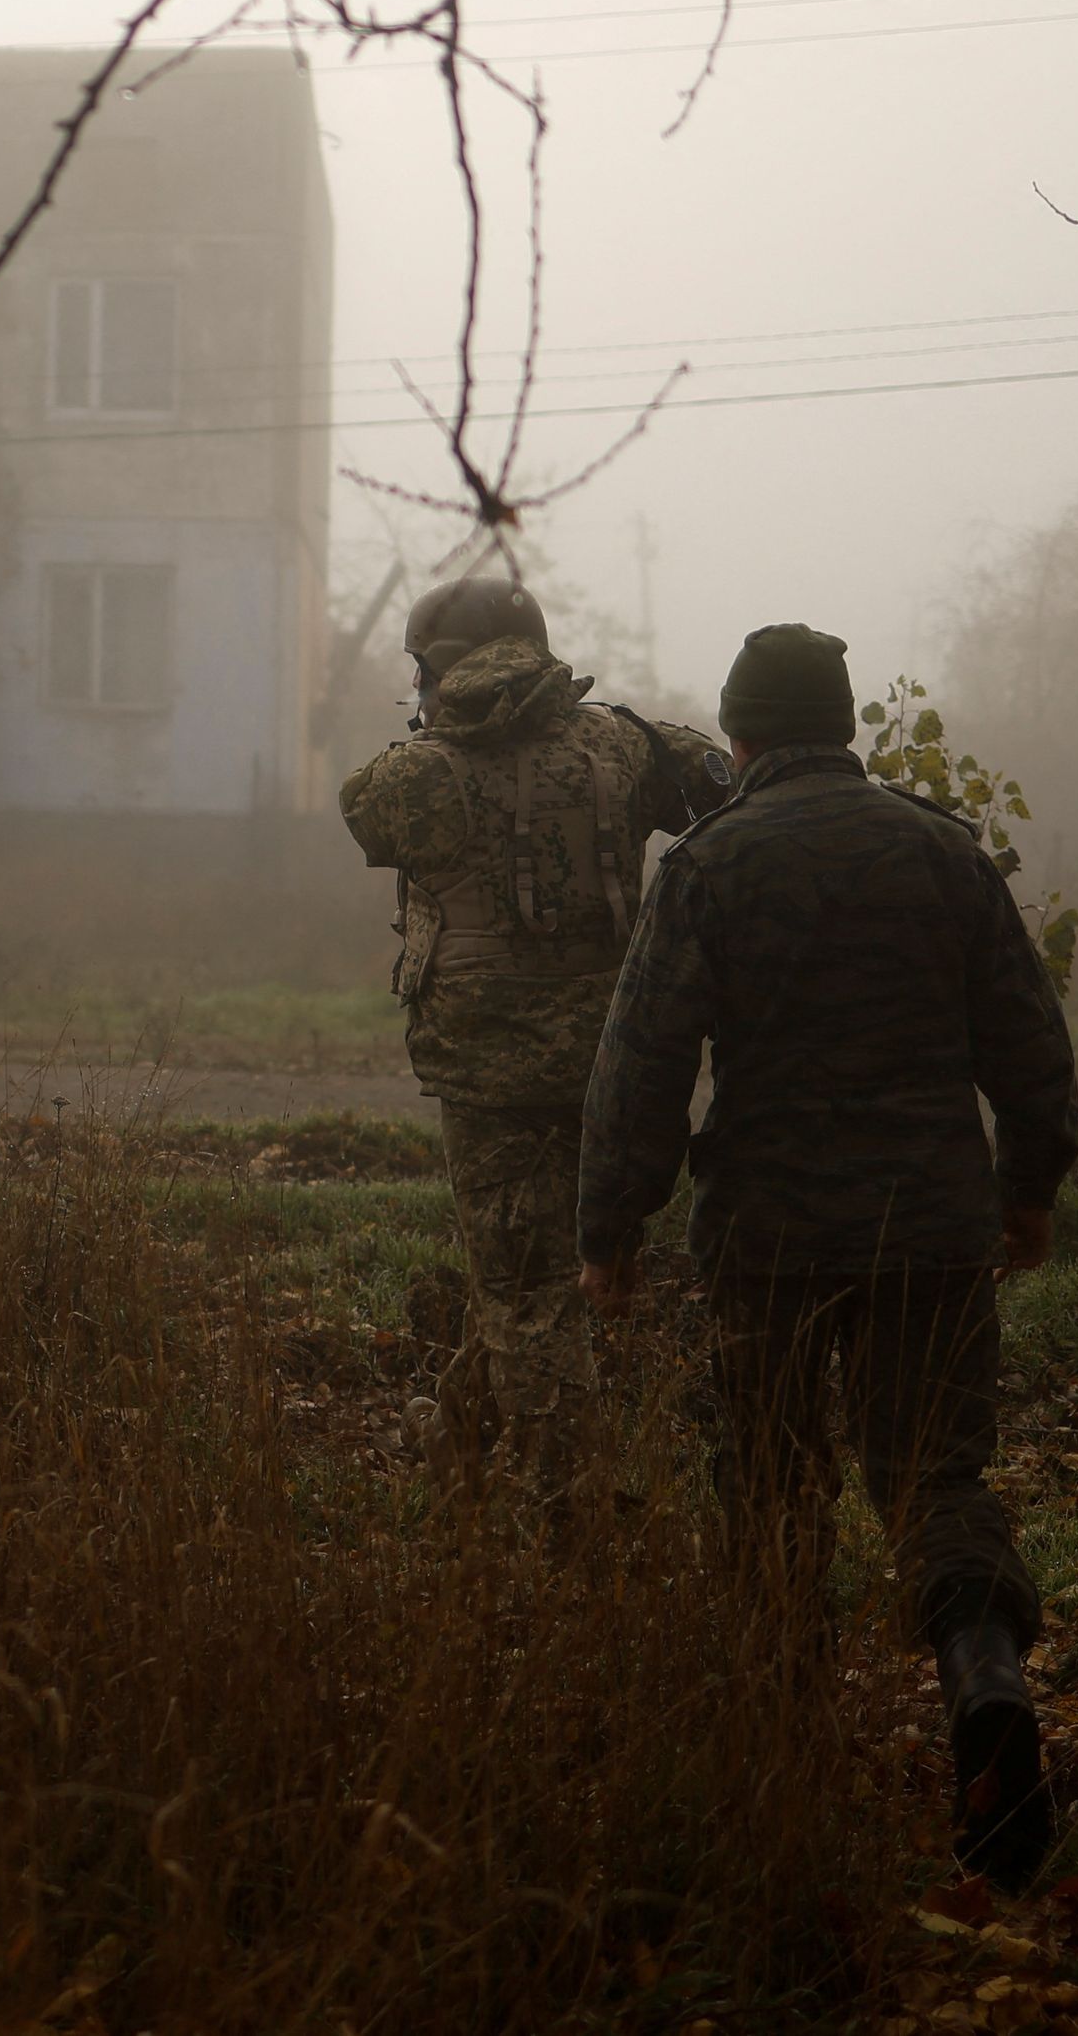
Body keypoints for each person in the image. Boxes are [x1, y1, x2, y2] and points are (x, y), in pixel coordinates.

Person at [577, 621, 1078, 1890]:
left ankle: (781, 1747)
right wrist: (1029, 1191)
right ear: (845, 727)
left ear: (739, 737)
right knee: (932, 1481)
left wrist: (610, 1228)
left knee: (767, 1486)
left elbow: (639, 1066)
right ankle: (981, 1682)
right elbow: (1029, 1044)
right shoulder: (943, 854)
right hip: (930, 1231)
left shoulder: (707, 865)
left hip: (768, 1241)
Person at [338, 571, 725, 1487]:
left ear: (441, 672)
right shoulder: (620, 746)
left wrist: (452, 730)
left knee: (522, 1287)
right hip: (612, 1060)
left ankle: (579, 1514)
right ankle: (456, 1445)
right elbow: (716, 777)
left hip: (489, 1071)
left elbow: (365, 809)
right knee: (529, 1266)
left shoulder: (416, 774)